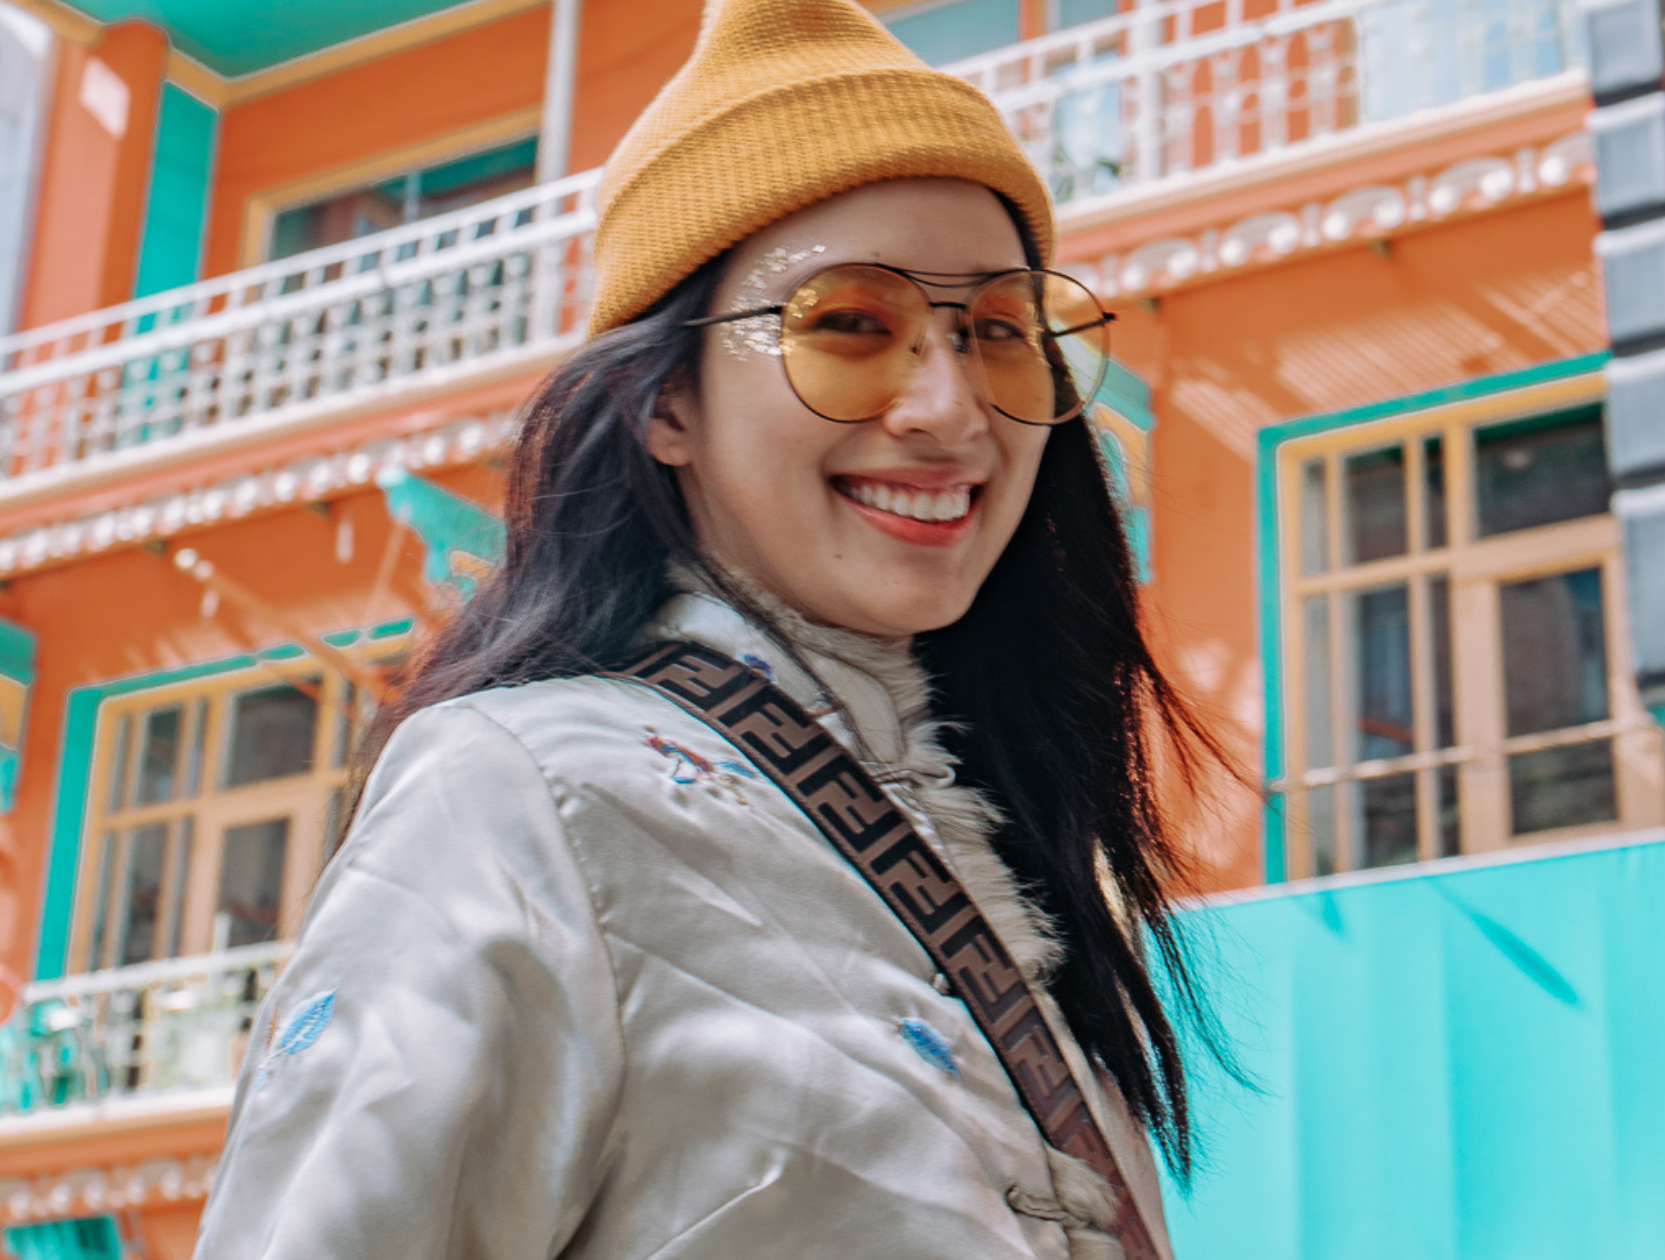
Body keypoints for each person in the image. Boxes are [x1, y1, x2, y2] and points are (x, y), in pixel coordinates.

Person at [192, 1, 1230, 1256]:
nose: (949, 408)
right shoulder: (522, 796)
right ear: (664, 402)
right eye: (850, 325)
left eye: (999, 332)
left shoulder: (1009, 864)